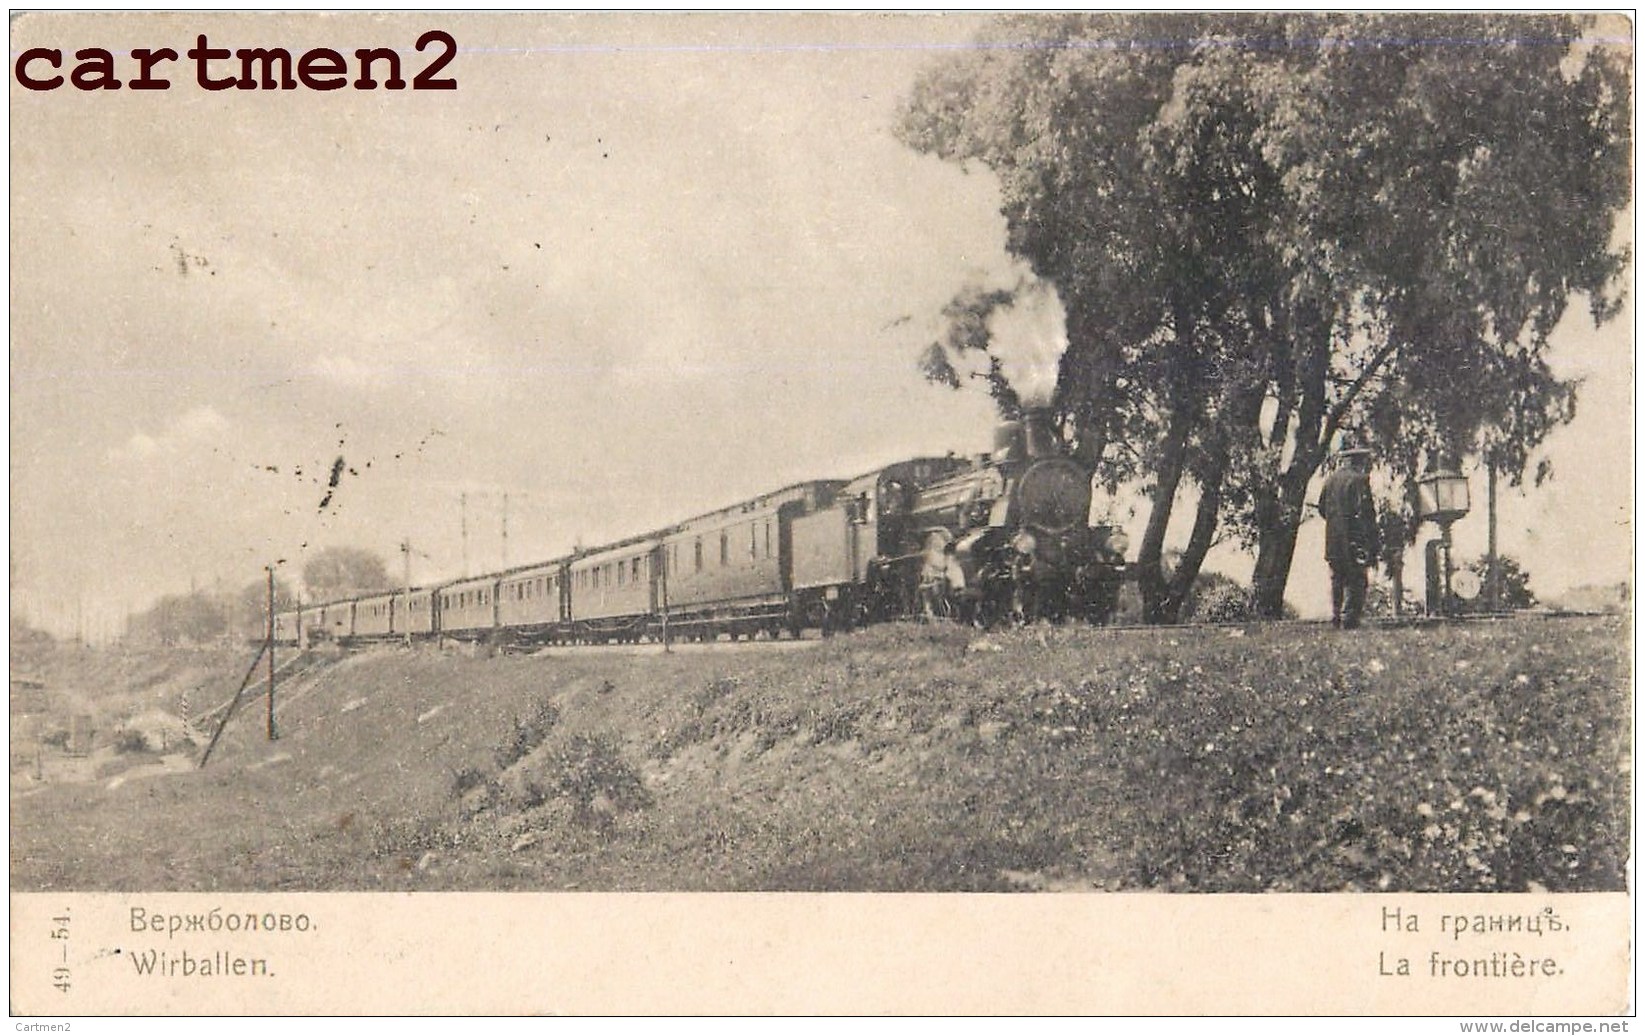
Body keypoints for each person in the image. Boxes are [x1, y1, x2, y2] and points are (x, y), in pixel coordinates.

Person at [1318, 446, 1381, 629]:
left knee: (1337, 578)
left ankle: (1336, 616)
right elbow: (1365, 512)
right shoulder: (1359, 480)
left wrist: (1336, 523)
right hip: (1355, 538)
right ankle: (1350, 618)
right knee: (1357, 578)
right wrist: (1370, 537)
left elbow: (1322, 509)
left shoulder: (1330, 481)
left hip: (1333, 539)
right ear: (1358, 460)